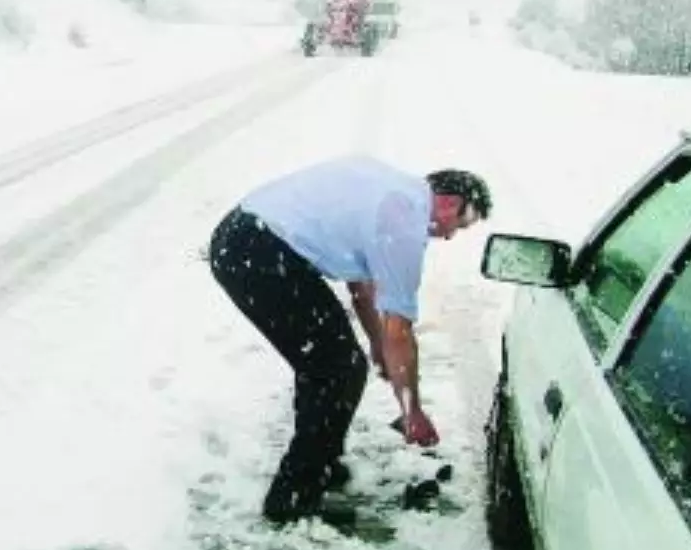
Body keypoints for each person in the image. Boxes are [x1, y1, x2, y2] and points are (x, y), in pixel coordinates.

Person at [207, 155, 491, 525]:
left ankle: (318, 461)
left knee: (330, 361)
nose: (451, 235)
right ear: (450, 202)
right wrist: (412, 410)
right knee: (337, 368)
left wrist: (376, 345)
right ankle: (292, 497)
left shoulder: (392, 190)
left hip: (241, 236)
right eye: (460, 224)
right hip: (259, 253)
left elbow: (363, 288)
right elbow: (399, 330)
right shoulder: (404, 220)